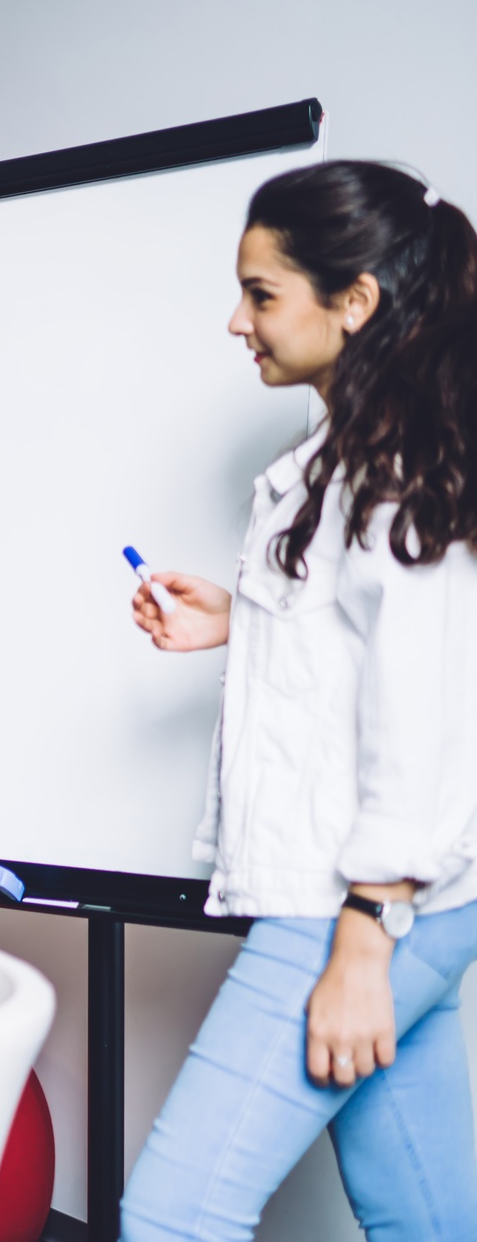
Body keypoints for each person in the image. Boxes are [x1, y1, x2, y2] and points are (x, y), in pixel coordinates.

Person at [120, 162, 477, 1238]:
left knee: (171, 1216)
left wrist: (362, 941)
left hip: (359, 903)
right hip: (389, 903)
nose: (236, 320)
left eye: (261, 293)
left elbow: (427, 711)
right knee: (423, 1211)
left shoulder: (399, 467)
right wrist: (243, 617)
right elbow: (369, 639)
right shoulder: (342, 456)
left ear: (353, 300)